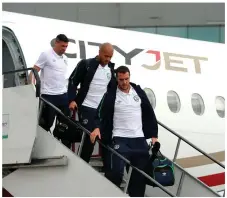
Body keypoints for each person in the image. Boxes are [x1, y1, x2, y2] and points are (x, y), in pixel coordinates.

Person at [90, 66, 158, 197]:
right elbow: (99, 112)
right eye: (121, 80)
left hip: (139, 139)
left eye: (126, 79)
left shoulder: (137, 92)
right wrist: (96, 127)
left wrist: (154, 134)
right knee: (115, 173)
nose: (124, 82)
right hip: (120, 138)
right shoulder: (110, 94)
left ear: (129, 77)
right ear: (117, 79)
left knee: (139, 177)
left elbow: (149, 112)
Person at [67, 42, 116, 163]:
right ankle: (83, 163)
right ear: (99, 52)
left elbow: (112, 89)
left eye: (110, 57)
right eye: (106, 56)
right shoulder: (86, 64)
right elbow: (73, 81)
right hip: (86, 106)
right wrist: (72, 99)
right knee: (90, 137)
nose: (107, 59)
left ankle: (106, 165)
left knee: (105, 136)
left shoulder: (111, 69)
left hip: (101, 109)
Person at [29, 34, 71, 148]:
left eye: (66, 46)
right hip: (49, 95)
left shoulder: (65, 58)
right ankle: (39, 147)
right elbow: (34, 71)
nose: (64, 49)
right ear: (56, 43)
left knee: (66, 123)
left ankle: (64, 147)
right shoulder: (46, 54)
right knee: (46, 123)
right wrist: (31, 88)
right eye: (62, 46)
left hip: (62, 95)